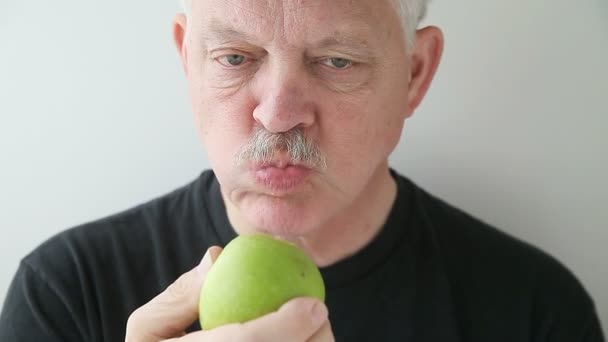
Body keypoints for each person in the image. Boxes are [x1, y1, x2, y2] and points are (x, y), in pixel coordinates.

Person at [0, 0, 604, 341]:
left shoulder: (536, 312)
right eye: (234, 57)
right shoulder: (66, 294)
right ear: (189, 60)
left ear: (415, 75)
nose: (279, 114)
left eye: (337, 61)